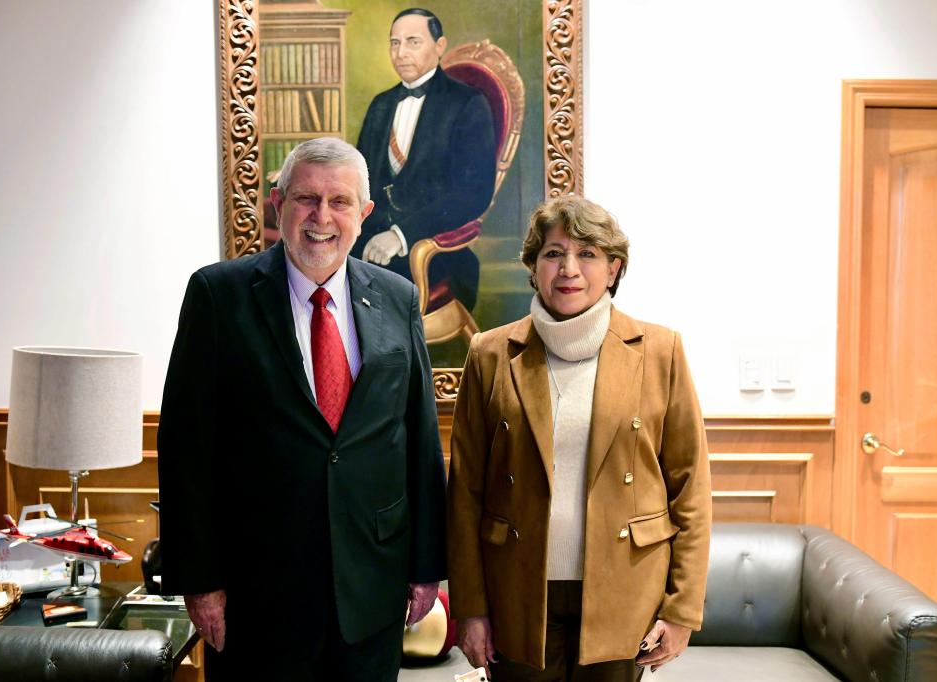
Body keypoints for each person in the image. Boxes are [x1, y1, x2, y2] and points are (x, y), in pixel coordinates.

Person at [157, 137, 448, 681]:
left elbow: (419, 438)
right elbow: (185, 450)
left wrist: (427, 566)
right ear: (278, 203)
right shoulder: (219, 296)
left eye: (339, 202)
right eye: (307, 199)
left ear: (364, 213)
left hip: (372, 587)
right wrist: (200, 581)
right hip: (255, 596)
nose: (322, 217)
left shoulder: (398, 297)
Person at [446, 196, 711, 681]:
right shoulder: (489, 353)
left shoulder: (661, 351)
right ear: (533, 268)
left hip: (625, 590)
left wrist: (681, 610)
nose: (569, 269)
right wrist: (471, 608)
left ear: (613, 269)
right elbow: (465, 493)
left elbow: (690, 490)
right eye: (553, 253)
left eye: (587, 253)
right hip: (516, 592)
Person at [353, 7, 497, 313]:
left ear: (439, 46)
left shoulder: (468, 103)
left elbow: (473, 194)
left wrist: (399, 236)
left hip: (434, 253)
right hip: (368, 243)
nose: (401, 53)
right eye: (394, 43)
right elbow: (360, 177)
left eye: (413, 42)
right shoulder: (380, 104)